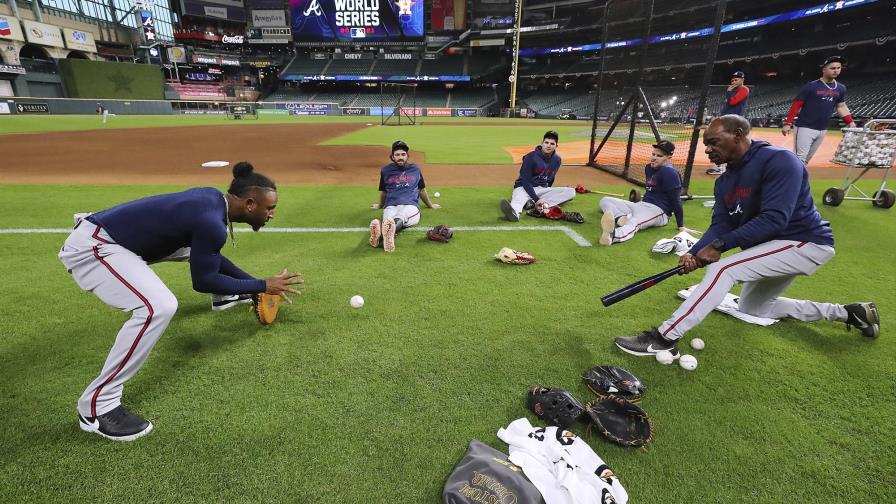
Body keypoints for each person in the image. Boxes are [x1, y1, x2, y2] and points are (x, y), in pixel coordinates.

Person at [58, 162, 303, 441]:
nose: (271, 215)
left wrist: (255, 287)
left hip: (115, 235)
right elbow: (203, 280)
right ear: (249, 204)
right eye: (269, 208)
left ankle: (227, 295)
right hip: (96, 247)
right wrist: (262, 285)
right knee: (158, 306)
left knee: (193, 248)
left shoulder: (213, 200)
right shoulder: (212, 223)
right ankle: (97, 407)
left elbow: (208, 254)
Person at [614, 115, 879, 359]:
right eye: (706, 145)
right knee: (754, 308)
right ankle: (849, 313)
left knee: (723, 268)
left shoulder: (779, 161)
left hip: (805, 242)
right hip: (775, 247)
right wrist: (694, 254)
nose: (707, 150)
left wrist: (718, 248)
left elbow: (775, 218)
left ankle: (663, 338)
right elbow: (721, 224)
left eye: (713, 142)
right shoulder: (724, 181)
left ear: (738, 135)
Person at [598, 140, 698, 246]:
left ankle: (613, 236)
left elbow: (676, 201)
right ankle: (621, 218)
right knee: (605, 200)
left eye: (659, 156)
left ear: (669, 157)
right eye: (653, 154)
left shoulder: (670, 174)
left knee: (635, 221)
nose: (654, 157)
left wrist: (681, 225)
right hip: (641, 205)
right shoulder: (649, 168)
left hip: (658, 211)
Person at [782, 55, 856, 165]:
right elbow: (796, 105)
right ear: (824, 69)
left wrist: (850, 122)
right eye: (832, 68)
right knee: (799, 158)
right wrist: (788, 123)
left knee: (807, 159)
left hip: (822, 129)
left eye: (838, 68)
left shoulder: (841, 88)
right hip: (805, 127)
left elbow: (841, 107)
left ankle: (799, 180)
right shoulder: (811, 86)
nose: (836, 70)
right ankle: (793, 181)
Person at [369, 140, 440, 252]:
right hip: (392, 205)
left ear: (407, 156)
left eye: (403, 154)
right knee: (394, 219)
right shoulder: (386, 170)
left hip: (409, 204)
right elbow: (384, 191)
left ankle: (381, 235)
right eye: (397, 155)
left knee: (395, 219)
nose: (400, 157)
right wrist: (380, 205)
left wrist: (430, 205)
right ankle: (389, 233)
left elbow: (422, 190)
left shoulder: (415, 169)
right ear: (392, 156)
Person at [499, 130, 575, 222]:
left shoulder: (557, 160)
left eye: (552, 143)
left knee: (571, 192)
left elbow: (551, 177)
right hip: (524, 188)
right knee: (518, 199)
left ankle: (534, 205)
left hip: (541, 189)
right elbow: (525, 181)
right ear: (542, 143)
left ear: (556, 146)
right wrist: (537, 199)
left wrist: (548, 191)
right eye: (546, 142)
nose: (549, 145)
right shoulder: (530, 157)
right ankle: (514, 213)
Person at [707, 71, 751, 175]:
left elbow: (733, 102)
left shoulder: (744, 89)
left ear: (742, 80)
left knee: (727, 143)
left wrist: (729, 92)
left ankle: (724, 167)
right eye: (732, 80)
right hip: (727, 120)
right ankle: (720, 166)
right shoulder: (733, 90)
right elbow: (728, 106)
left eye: (736, 80)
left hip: (734, 121)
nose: (733, 81)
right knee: (723, 142)